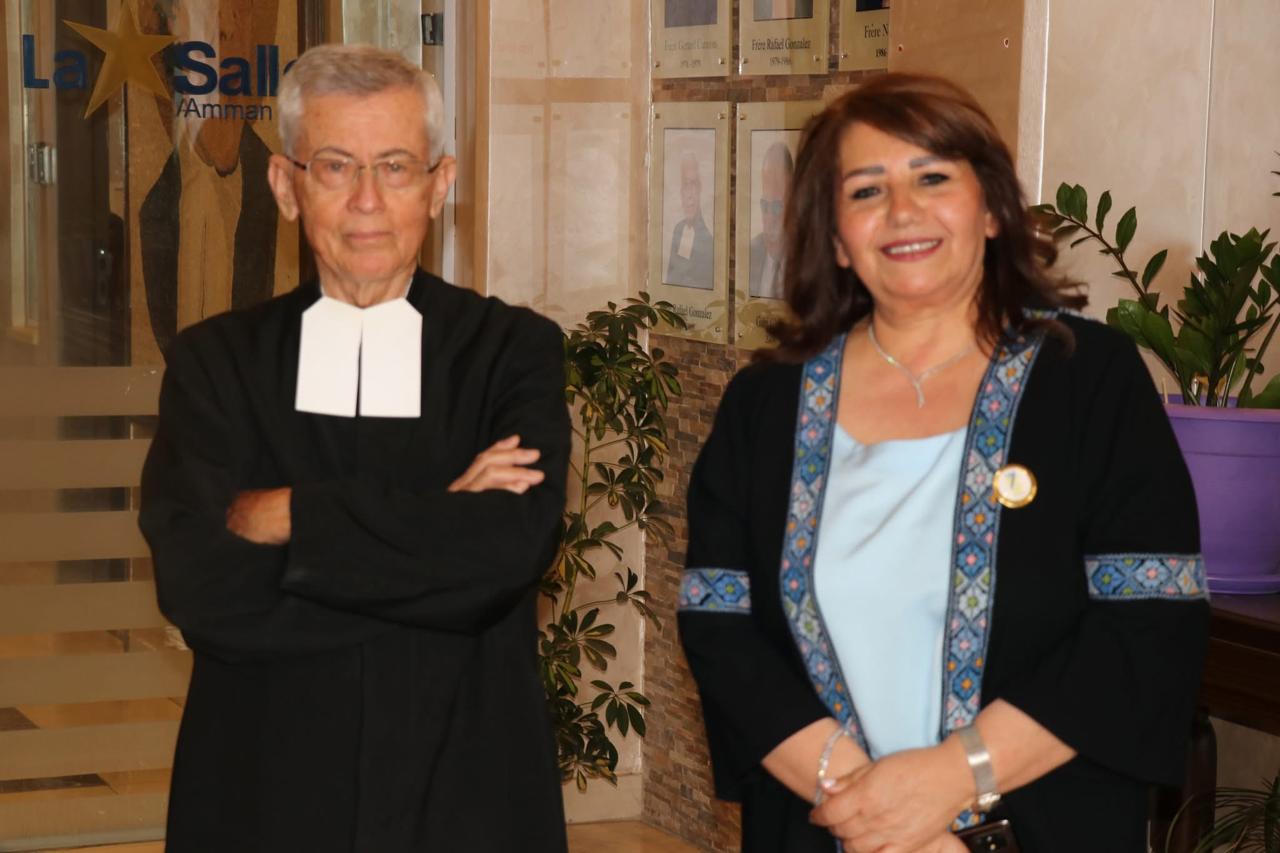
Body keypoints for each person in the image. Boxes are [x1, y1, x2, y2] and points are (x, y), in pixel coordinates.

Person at [677, 73, 1208, 853]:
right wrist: (873, 807)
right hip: (826, 826)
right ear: (835, 237)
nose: (902, 211)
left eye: (932, 178)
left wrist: (950, 780)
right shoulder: (765, 403)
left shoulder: (1089, 380)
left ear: (990, 209)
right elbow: (721, 624)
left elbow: (1148, 618)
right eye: (866, 190)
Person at [139, 44, 570, 853]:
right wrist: (442, 524)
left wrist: (293, 517)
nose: (367, 200)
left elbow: (509, 551)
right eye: (335, 166)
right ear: (286, 185)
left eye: (396, 167)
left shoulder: (511, 354)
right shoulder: (215, 365)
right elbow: (200, 588)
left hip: (468, 793)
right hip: (261, 794)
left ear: (439, 185)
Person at [748, 141, 793, 299]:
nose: (769, 218)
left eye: (777, 207)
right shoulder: (751, 253)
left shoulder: (807, 261)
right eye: (765, 206)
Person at [666, 152, 715, 289]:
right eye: (686, 185)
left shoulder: (709, 240)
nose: (690, 195)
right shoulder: (678, 229)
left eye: (694, 185)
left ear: (700, 190)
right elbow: (669, 281)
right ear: (681, 192)